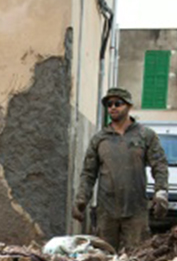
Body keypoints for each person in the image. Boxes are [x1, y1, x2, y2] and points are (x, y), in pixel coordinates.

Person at [72, 87, 169, 251]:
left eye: (118, 103)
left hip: (136, 209)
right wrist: (81, 200)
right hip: (106, 212)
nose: (113, 107)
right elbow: (88, 173)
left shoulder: (145, 135)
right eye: (109, 104)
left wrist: (161, 193)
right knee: (104, 258)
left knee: (138, 256)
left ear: (129, 106)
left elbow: (159, 165)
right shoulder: (100, 139)